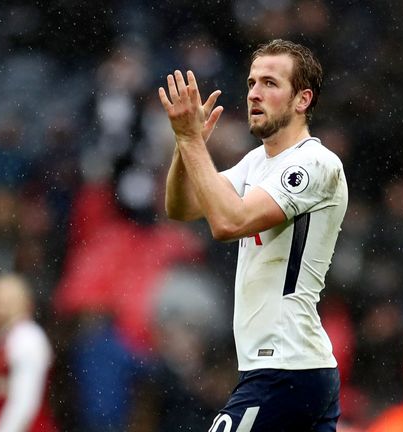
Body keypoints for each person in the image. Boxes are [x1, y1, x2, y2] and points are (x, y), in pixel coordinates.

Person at [159, 39, 348, 431]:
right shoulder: (256, 163)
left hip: (286, 367)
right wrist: (184, 141)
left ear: (302, 99)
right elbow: (181, 207)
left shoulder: (315, 163)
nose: (254, 94)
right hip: (284, 369)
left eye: (270, 83)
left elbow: (228, 222)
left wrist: (194, 143)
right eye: (250, 83)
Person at [0, 273, 56, 432]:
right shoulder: (6, 338)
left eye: (6, 299)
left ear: (24, 302)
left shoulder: (27, 337)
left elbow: (25, 402)